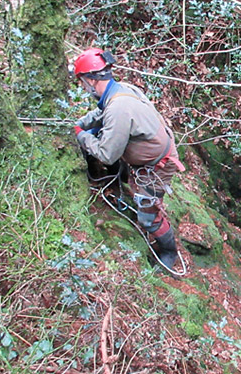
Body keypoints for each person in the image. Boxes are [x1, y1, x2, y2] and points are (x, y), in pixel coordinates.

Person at [71, 47, 185, 271]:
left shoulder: (119, 108)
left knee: (147, 217)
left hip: (158, 167)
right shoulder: (120, 90)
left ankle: (169, 252)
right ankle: (119, 184)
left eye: (83, 81)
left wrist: (82, 136)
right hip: (148, 155)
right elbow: (102, 113)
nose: (83, 87)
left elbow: (107, 153)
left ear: (92, 80)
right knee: (117, 161)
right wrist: (83, 124)